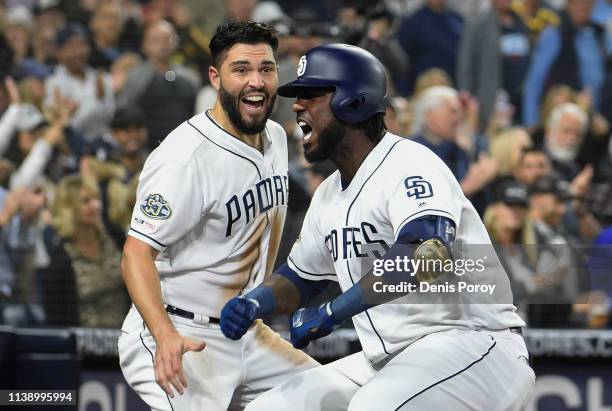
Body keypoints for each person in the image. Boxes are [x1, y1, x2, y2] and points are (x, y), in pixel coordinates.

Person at [219, 43, 534, 411]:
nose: (298, 105)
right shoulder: (328, 196)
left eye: (311, 94)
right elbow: (301, 279)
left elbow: (428, 254)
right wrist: (254, 302)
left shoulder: (409, 162)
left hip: (475, 344)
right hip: (390, 358)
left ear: (353, 101)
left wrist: (332, 312)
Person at [117, 21, 318, 411]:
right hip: (182, 333)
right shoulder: (184, 158)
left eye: (266, 69)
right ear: (216, 77)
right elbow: (135, 254)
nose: (256, 81)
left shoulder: (276, 137)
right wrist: (164, 335)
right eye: (241, 69)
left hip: (248, 333)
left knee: (340, 399)